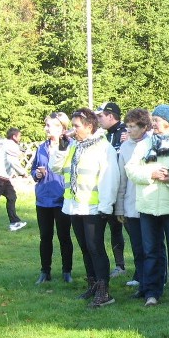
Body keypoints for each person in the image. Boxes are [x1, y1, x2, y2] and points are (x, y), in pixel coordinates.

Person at [50, 108, 119, 307]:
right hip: (74, 205)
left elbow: (110, 179)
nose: (73, 129)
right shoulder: (74, 146)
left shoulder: (103, 147)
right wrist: (61, 147)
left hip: (93, 207)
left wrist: (106, 207)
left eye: (76, 126)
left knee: (95, 247)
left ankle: (105, 292)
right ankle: (93, 284)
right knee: (85, 248)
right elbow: (56, 167)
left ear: (89, 126)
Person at [126, 104, 169, 307]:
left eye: (156, 120)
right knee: (151, 251)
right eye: (153, 120)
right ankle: (152, 293)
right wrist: (150, 175)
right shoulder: (144, 145)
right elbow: (131, 170)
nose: (152, 123)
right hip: (148, 207)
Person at [32, 113, 74, 285]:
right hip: (43, 198)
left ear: (62, 128)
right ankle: (45, 271)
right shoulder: (41, 148)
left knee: (64, 236)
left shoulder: (71, 146)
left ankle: (67, 271)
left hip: (62, 197)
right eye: (46, 125)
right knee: (45, 236)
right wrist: (37, 173)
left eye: (50, 125)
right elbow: (34, 169)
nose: (46, 128)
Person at [115, 108, 152, 294]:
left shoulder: (153, 142)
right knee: (137, 247)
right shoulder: (125, 146)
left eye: (132, 127)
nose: (128, 131)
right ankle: (142, 282)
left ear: (144, 127)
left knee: (152, 247)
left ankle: (156, 281)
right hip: (131, 203)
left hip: (150, 202)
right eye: (127, 126)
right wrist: (119, 207)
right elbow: (122, 177)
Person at [96, 102, 128, 279]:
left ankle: (142, 271)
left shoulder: (125, 131)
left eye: (101, 116)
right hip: (110, 191)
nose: (98, 120)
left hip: (125, 191)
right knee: (114, 229)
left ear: (110, 115)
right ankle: (120, 265)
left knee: (131, 229)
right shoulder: (105, 136)